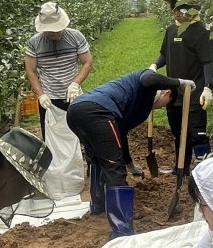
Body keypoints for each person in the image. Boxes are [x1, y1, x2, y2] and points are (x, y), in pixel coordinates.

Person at [64, 68, 192, 236]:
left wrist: (129, 163)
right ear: (167, 93)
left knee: (98, 158)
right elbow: (149, 79)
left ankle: (98, 204)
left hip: (76, 112)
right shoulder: (145, 82)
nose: (161, 108)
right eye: (166, 104)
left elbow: (119, 134)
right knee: (114, 169)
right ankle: (122, 230)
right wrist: (180, 82)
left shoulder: (137, 102)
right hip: (96, 112)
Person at [24, 2, 94, 197]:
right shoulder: (35, 43)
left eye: (55, 30)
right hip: (49, 99)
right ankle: (55, 177)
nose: (52, 33)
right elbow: (31, 71)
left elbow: (87, 62)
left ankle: (89, 173)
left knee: (83, 134)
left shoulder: (75, 36)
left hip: (73, 96)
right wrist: (41, 94)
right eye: (49, 30)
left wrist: (75, 83)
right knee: (51, 139)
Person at [149, 0, 213, 174]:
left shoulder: (202, 31)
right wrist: (154, 65)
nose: (174, 12)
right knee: (179, 133)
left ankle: (207, 171)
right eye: (173, 8)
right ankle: (181, 168)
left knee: (197, 134)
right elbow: (164, 54)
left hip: (195, 93)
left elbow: (207, 61)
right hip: (175, 91)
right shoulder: (171, 30)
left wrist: (207, 87)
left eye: (179, 8)